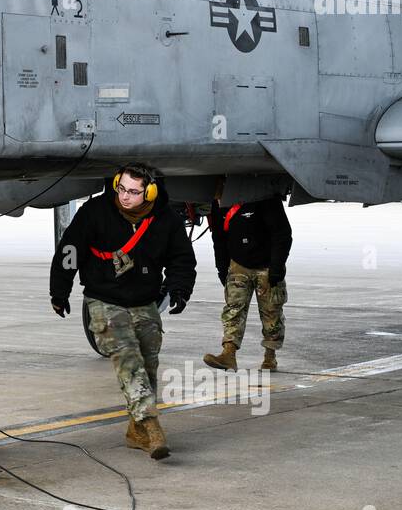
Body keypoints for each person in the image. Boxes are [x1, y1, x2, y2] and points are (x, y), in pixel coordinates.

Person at [50, 165, 196, 459]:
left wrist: (179, 290)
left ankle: (135, 431)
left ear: (149, 192)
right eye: (121, 189)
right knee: (128, 359)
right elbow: (70, 250)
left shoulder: (164, 218)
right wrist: (59, 291)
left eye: (133, 192)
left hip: (144, 301)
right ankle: (152, 426)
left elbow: (181, 257)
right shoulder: (95, 212)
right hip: (103, 299)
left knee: (148, 363)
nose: (125, 197)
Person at [203, 194, 293, 372]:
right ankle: (228, 354)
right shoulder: (219, 203)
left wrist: (276, 266)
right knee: (233, 310)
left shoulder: (264, 196)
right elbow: (219, 239)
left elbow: (282, 233)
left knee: (271, 312)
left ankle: (270, 356)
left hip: (266, 265)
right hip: (238, 264)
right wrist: (222, 268)